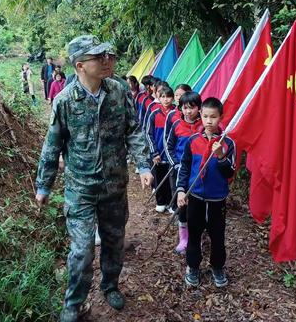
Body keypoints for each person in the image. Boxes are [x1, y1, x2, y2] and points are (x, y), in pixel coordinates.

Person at [35, 35, 153, 322]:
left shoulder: (118, 91)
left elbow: (133, 130)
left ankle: (110, 285)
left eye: (106, 55)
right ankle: (74, 303)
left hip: (114, 186)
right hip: (80, 189)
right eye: (97, 58)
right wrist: (43, 185)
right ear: (80, 66)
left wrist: (144, 165)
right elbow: (53, 144)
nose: (106, 61)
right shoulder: (64, 101)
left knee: (114, 241)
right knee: (82, 250)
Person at [176, 97, 236, 288]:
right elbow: (184, 167)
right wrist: (180, 191)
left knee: (217, 236)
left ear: (221, 117)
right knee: (194, 234)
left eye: (213, 117)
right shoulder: (192, 141)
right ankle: (193, 266)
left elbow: (230, 172)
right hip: (195, 197)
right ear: (200, 116)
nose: (209, 121)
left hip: (217, 199)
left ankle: (217, 267)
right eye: (205, 116)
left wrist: (220, 157)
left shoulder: (228, 143)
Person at [166, 91, 203, 253]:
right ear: (180, 108)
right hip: (180, 171)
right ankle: (184, 238)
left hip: (199, 173)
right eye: (185, 108)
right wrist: (175, 164)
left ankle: (197, 236)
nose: (188, 111)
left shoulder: (204, 125)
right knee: (182, 204)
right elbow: (169, 146)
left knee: (197, 205)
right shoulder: (177, 125)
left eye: (192, 108)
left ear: (199, 108)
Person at [146, 85, 175, 213]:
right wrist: (154, 153)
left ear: (173, 98)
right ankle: (160, 201)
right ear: (158, 97)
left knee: (170, 179)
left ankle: (170, 202)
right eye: (163, 97)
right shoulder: (154, 113)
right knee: (159, 178)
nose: (166, 100)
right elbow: (148, 134)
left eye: (168, 97)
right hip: (158, 153)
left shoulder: (176, 114)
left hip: (171, 155)